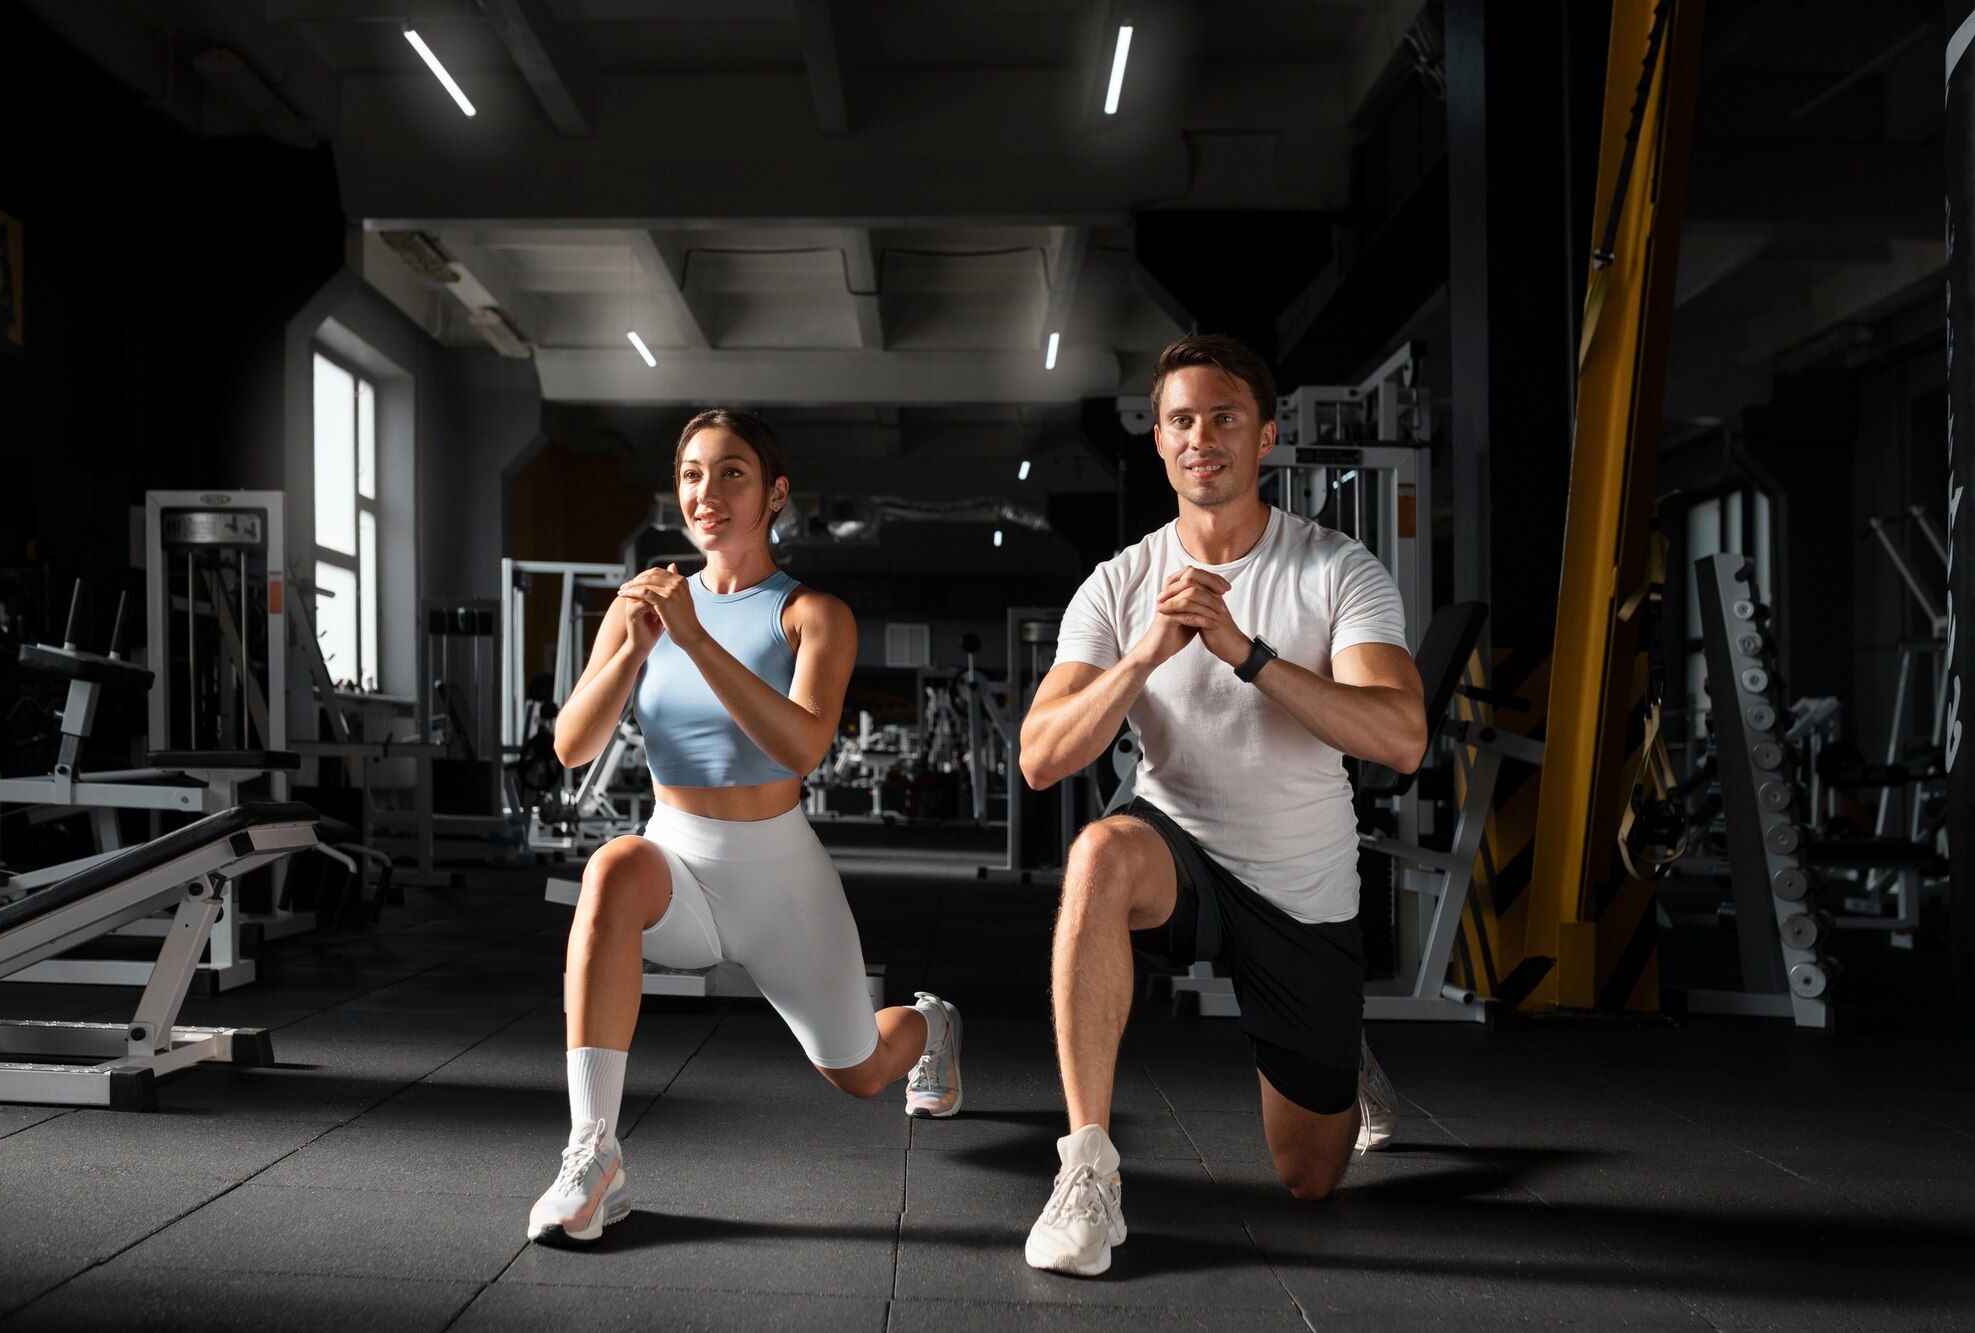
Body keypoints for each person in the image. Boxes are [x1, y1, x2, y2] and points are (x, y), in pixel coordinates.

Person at [1016, 334, 1425, 1276]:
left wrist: (1245, 651)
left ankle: (1343, 1056)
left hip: (1300, 886)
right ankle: (1087, 1168)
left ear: (1267, 435)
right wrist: (1142, 656)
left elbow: (1402, 735)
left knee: (1310, 1179)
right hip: (1178, 856)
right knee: (1098, 855)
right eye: (1183, 420)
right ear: (1159, 443)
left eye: (1226, 416)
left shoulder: (1335, 569)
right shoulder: (1118, 583)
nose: (1204, 436)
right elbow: (1041, 758)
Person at [527, 408, 963, 1245]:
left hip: (780, 879)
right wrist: (637, 644)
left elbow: (801, 747)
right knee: (613, 866)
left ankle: (933, 1023)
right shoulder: (641, 605)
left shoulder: (811, 613)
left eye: (732, 472)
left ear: (775, 494)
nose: (708, 492)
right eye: (692, 473)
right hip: (678, 864)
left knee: (863, 1073)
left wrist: (692, 637)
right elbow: (572, 742)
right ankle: (594, 1151)